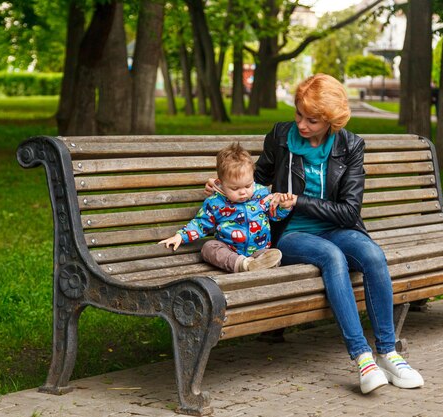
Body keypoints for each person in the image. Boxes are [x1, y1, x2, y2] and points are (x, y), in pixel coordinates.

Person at [206, 74, 424, 394]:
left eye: (312, 119)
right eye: (299, 114)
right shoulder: (281, 136)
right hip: (291, 232)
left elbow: (349, 211)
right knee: (331, 257)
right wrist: (221, 184)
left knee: (373, 255)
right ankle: (363, 358)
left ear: (331, 120)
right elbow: (257, 179)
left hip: (337, 226)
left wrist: (300, 201)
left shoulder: (350, 146)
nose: (302, 125)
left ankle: (388, 352)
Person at [159, 142, 295, 272]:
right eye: (235, 188)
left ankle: (257, 264)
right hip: (229, 250)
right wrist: (180, 236)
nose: (243, 192)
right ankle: (244, 265)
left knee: (273, 255)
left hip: (258, 250)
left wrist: (283, 207)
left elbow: (274, 215)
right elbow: (201, 223)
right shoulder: (215, 203)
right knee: (208, 248)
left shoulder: (261, 194)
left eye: (248, 186)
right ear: (221, 183)